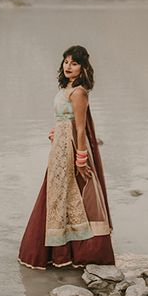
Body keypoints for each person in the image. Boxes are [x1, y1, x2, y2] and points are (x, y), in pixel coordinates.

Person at [17, 45, 115, 268]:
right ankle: (58, 253)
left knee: (73, 194)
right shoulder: (66, 87)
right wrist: (56, 132)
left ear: (83, 67)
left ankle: (80, 253)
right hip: (59, 147)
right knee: (57, 193)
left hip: (71, 149)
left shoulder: (79, 92)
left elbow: (80, 128)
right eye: (66, 62)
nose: (68, 67)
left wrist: (81, 160)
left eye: (74, 63)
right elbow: (64, 120)